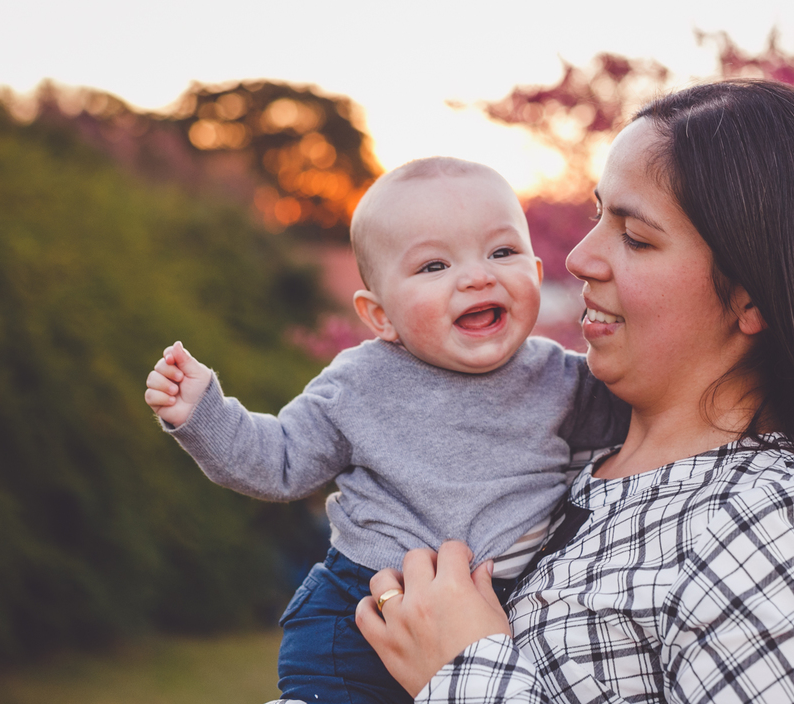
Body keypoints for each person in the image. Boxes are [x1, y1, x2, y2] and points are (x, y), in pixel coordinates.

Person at [353, 80, 794, 704]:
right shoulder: (569, 460)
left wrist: (462, 674)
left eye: (635, 237)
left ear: (750, 296)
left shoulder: (767, 517)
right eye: (597, 216)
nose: (581, 258)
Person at [143, 158, 628, 704]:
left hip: (504, 614)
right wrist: (203, 412)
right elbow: (277, 461)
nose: (477, 276)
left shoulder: (561, 378)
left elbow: (650, 414)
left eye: (502, 252)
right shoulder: (360, 384)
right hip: (367, 609)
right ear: (381, 317)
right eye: (433, 266)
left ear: (536, 276)